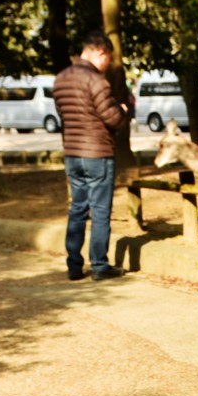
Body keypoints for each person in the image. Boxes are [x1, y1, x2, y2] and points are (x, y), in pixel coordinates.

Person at [54, 29, 136, 282]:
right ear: (101, 52)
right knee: (100, 210)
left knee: (77, 208)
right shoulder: (97, 81)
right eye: (108, 59)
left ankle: (74, 265)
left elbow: (64, 114)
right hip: (97, 152)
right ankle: (99, 265)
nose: (107, 65)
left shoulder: (61, 78)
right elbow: (111, 118)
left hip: (72, 152)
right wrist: (125, 109)